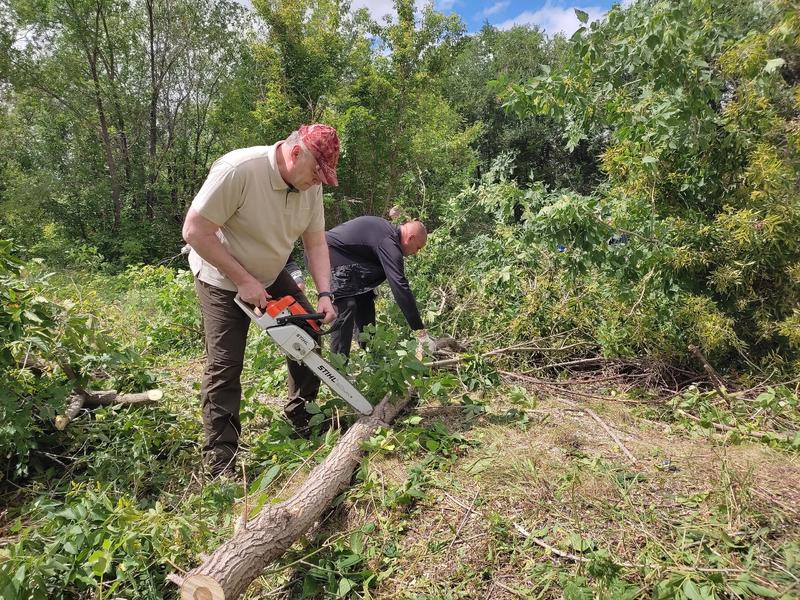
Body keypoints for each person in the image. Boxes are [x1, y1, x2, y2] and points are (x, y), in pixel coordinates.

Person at [182, 123, 340, 478]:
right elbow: (194, 231)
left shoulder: (310, 187)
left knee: (308, 333)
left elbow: (315, 243)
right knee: (226, 365)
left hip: (270, 272)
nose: (317, 182)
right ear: (296, 153)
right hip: (221, 276)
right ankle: (220, 462)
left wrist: (325, 293)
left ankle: (301, 416)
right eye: (316, 174)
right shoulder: (240, 170)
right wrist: (243, 279)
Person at [324, 215, 434, 358]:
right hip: (325, 255)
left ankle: (370, 356)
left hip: (348, 262)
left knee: (366, 303)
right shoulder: (388, 243)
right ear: (411, 238)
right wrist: (420, 332)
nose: (415, 253)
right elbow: (400, 287)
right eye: (417, 248)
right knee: (346, 306)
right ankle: (337, 366)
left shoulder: (388, 236)